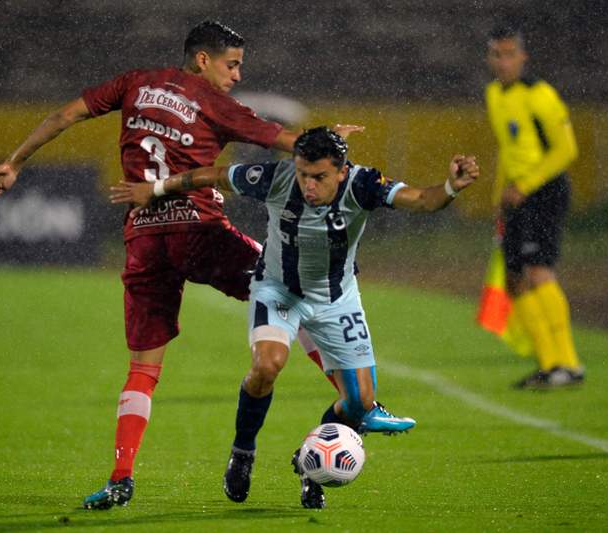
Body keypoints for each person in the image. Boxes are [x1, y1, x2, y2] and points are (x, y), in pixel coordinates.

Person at [0, 21, 353, 510]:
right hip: (201, 232)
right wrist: (327, 138)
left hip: (145, 240)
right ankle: (356, 397)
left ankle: (121, 476)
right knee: (293, 292)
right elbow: (290, 143)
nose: (236, 76)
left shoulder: (133, 83)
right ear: (202, 60)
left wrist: (15, 162)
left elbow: (66, 114)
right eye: (232, 64)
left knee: (144, 369)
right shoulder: (216, 103)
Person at [110, 126, 479, 508]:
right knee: (267, 366)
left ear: (341, 170)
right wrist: (155, 190)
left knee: (359, 404)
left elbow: (420, 199)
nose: (308, 185)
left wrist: (451, 187)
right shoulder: (277, 177)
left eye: (319, 177)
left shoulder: (363, 183)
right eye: (303, 174)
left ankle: (309, 464)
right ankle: (243, 452)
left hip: (337, 300)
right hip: (278, 290)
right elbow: (215, 175)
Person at [485, 26, 583, 389]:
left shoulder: (540, 95)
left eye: (510, 54)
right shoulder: (494, 95)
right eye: (497, 54)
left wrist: (524, 186)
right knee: (514, 280)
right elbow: (507, 153)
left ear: (523, 57)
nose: (504, 61)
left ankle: (568, 363)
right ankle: (548, 364)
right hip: (514, 198)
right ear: (489, 58)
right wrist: (500, 197)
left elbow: (566, 150)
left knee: (540, 272)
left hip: (544, 192)